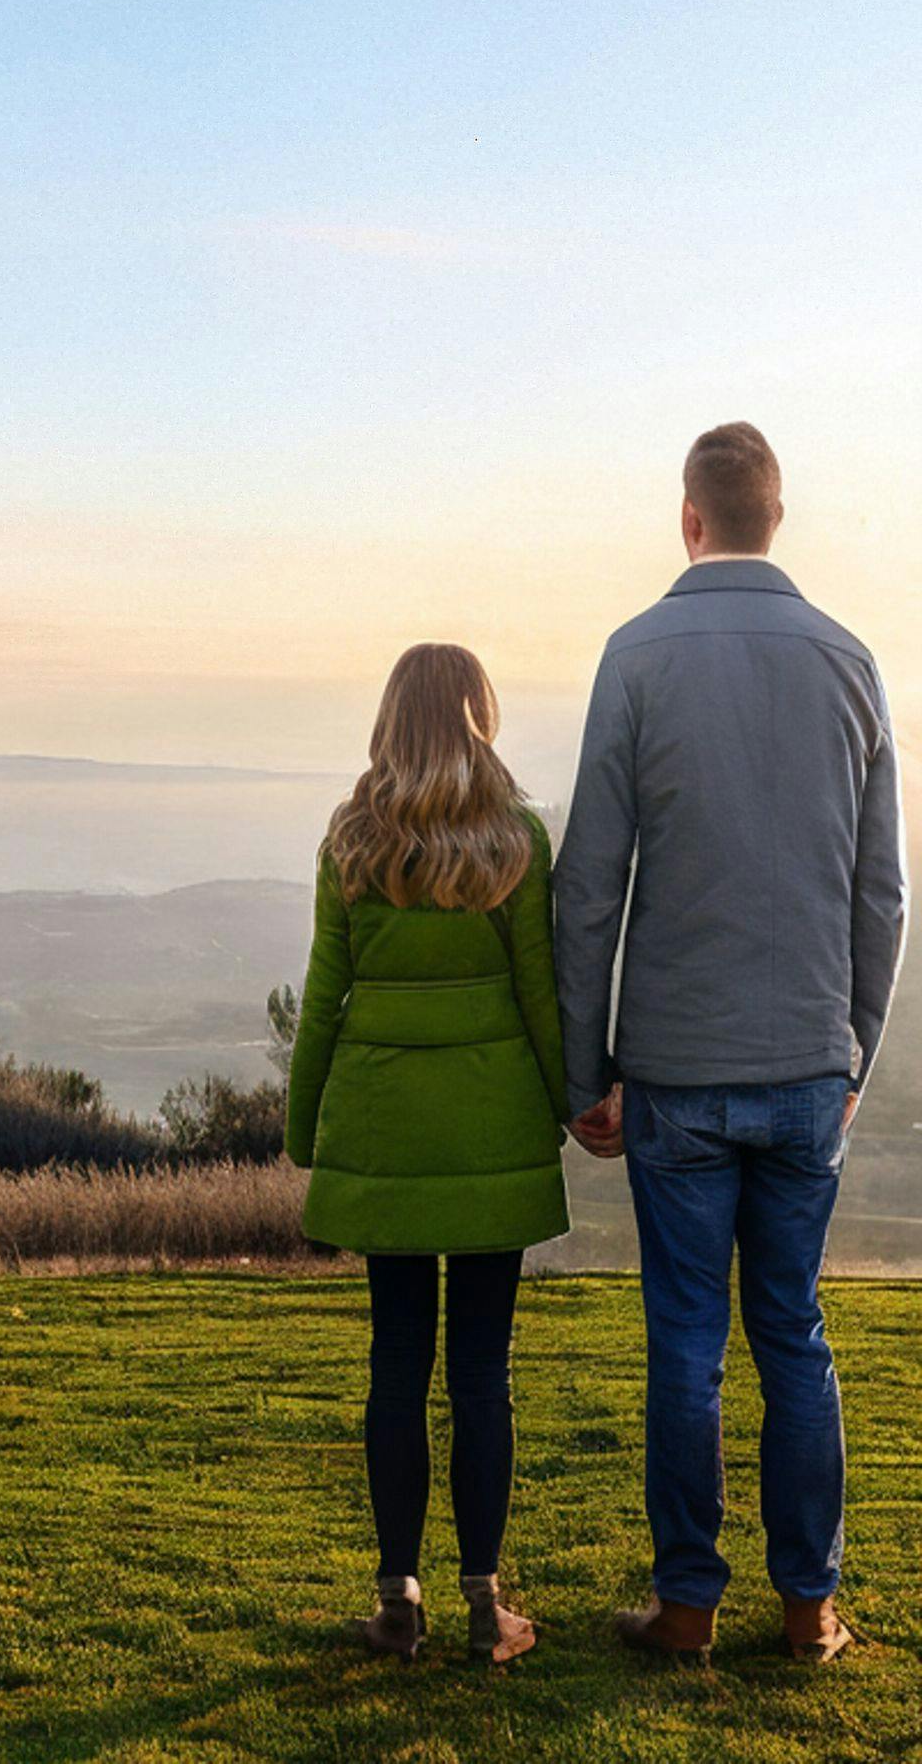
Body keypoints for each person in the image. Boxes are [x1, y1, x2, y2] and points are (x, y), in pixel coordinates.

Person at [553, 421, 905, 1663]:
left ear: (689, 519)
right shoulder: (851, 662)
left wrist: (582, 1070)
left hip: (678, 1074)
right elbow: (884, 895)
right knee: (794, 1332)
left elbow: (589, 881)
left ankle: (688, 1606)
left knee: (687, 1342)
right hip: (811, 1064)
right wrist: (853, 1050)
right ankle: (809, 1608)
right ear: (777, 516)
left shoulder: (636, 656)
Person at [287, 642, 571, 1665]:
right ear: (477, 718)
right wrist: (573, 1103)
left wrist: (303, 1124)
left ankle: (396, 1597)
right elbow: (543, 997)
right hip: (492, 1131)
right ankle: (487, 1606)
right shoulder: (515, 842)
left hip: (384, 1131)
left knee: (396, 1365)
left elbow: (325, 998)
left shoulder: (352, 842)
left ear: (390, 720)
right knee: (484, 1375)